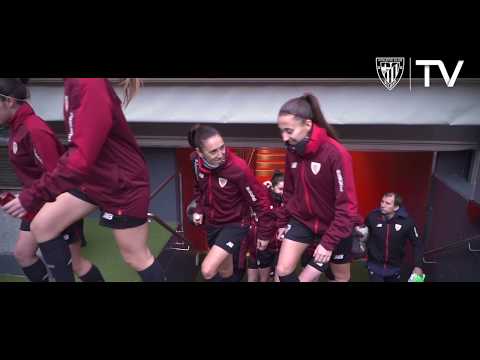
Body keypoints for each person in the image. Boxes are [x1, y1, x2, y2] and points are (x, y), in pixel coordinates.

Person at [2, 78, 165, 282]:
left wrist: (33, 195)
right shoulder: (73, 83)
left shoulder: (88, 83)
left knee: (135, 256)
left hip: (121, 183)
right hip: (93, 179)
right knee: (42, 225)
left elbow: (81, 158)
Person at [0, 78, 104, 282]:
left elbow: (58, 176)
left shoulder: (34, 129)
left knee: (76, 264)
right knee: (23, 254)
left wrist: (42, 205)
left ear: (10, 101)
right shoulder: (16, 127)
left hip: (55, 202)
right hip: (36, 203)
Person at [274, 93, 363, 282]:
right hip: (302, 221)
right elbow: (289, 191)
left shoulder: (336, 153)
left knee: (340, 276)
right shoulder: (291, 152)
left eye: (289, 131)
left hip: (334, 224)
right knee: (282, 270)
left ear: (307, 124)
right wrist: (283, 222)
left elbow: (347, 206)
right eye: (281, 131)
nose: (284, 137)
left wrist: (328, 243)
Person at [187, 125, 275, 282]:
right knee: (225, 270)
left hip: (236, 224)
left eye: (222, 147)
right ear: (200, 153)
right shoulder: (195, 161)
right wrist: (199, 209)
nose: (221, 154)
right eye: (213, 151)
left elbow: (260, 202)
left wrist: (264, 233)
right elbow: (200, 188)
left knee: (208, 270)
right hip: (213, 224)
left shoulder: (238, 168)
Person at [364, 192, 425, 282]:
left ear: (396, 207)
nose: (383, 205)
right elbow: (364, 236)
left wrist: (418, 266)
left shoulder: (407, 222)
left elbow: (417, 245)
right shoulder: (372, 217)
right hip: (375, 266)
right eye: (382, 201)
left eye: (387, 203)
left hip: (395, 268)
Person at [246, 170, 284, 282]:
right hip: (262, 244)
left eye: (285, 190)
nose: (283, 192)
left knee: (279, 276)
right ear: (272, 187)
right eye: (280, 189)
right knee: (261, 278)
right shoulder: (263, 198)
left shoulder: (288, 200)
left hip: (282, 246)